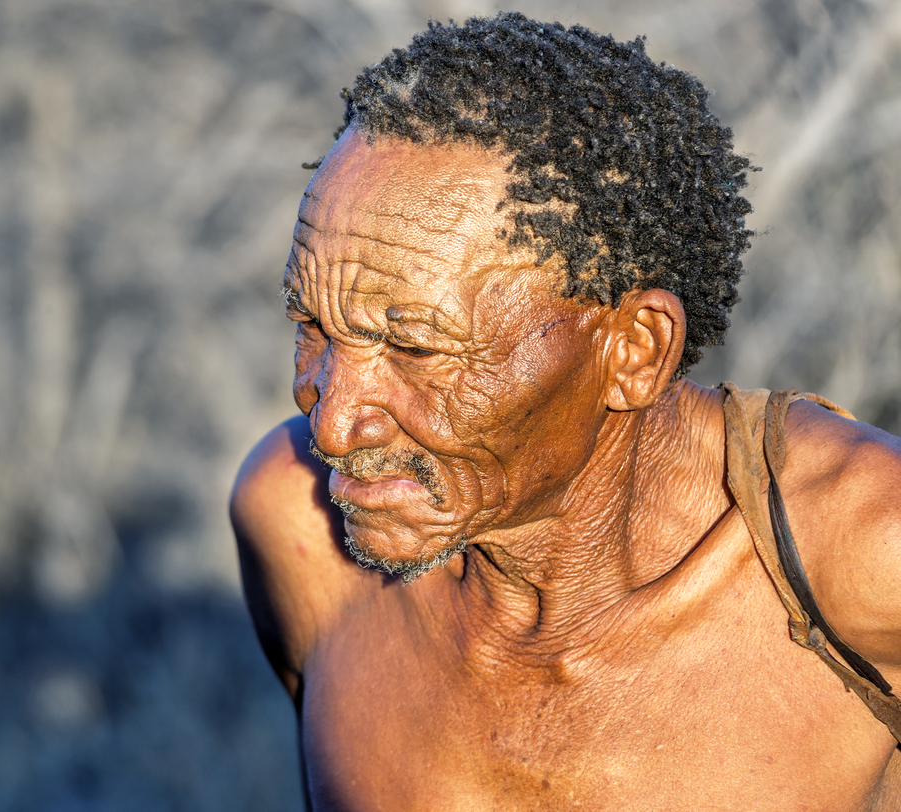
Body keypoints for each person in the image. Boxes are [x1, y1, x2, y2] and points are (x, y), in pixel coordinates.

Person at [230, 13, 901, 810]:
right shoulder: (297, 524)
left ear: (634, 351)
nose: (334, 427)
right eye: (315, 327)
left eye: (417, 349)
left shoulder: (864, 554)